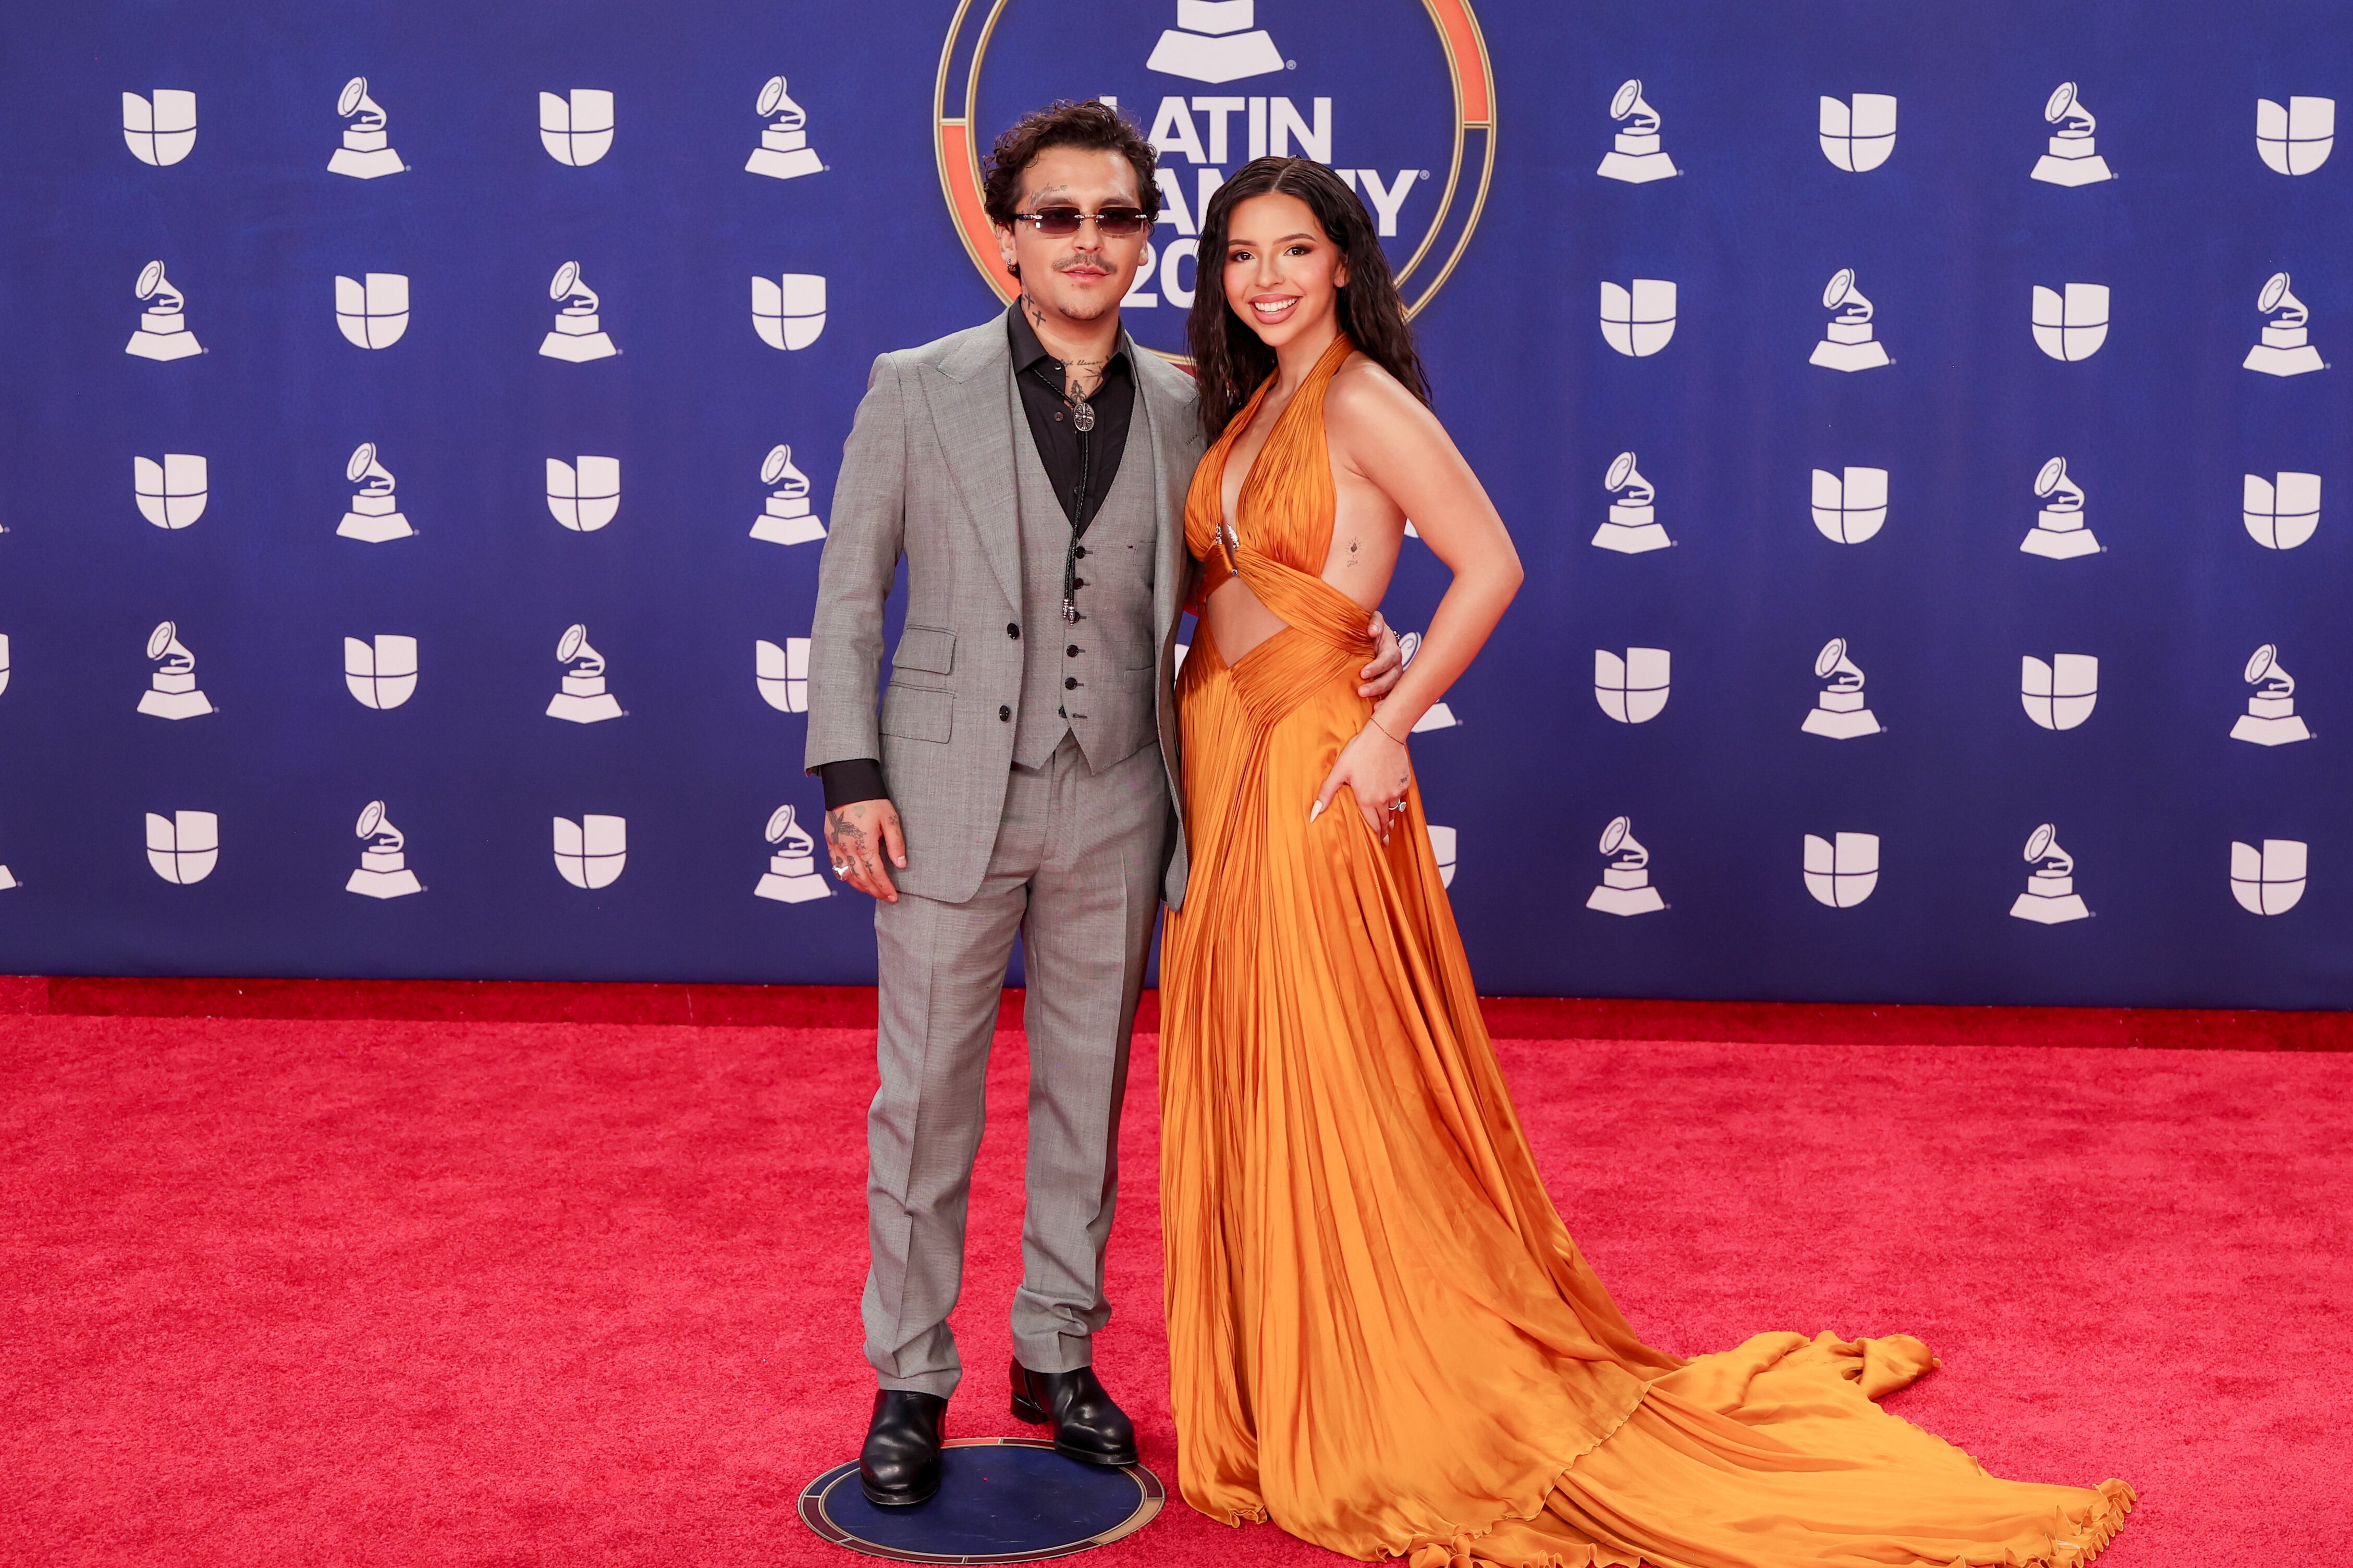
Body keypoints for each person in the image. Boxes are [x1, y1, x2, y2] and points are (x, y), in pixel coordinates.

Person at [1158, 155, 2137, 1568]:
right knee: (1249, 1061)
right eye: (1241, 252)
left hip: (1316, 756)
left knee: (1336, 1066)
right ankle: (1279, 1374)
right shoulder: (1244, 401)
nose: (1264, 277)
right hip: (1224, 757)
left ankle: (1382, 1377)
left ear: (1342, 262)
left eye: (1291, 250)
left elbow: (1487, 562)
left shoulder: (1364, 396)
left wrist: (1389, 720)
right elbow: (1237, 581)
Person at [803, 107, 1401, 1508]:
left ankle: (1055, 1351)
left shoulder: (1197, 398)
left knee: (1089, 1093)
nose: (1088, 241)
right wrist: (850, 775)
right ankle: (909, 1374)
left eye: (1116, 217)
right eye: (1058, 216)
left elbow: (1251, 582)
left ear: (1143, 239)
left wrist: (1364, 638)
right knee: (927, 1100)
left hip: (1124, 795)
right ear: (1007, 237)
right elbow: (846, 598)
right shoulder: (913, 385)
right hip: (943, 798)